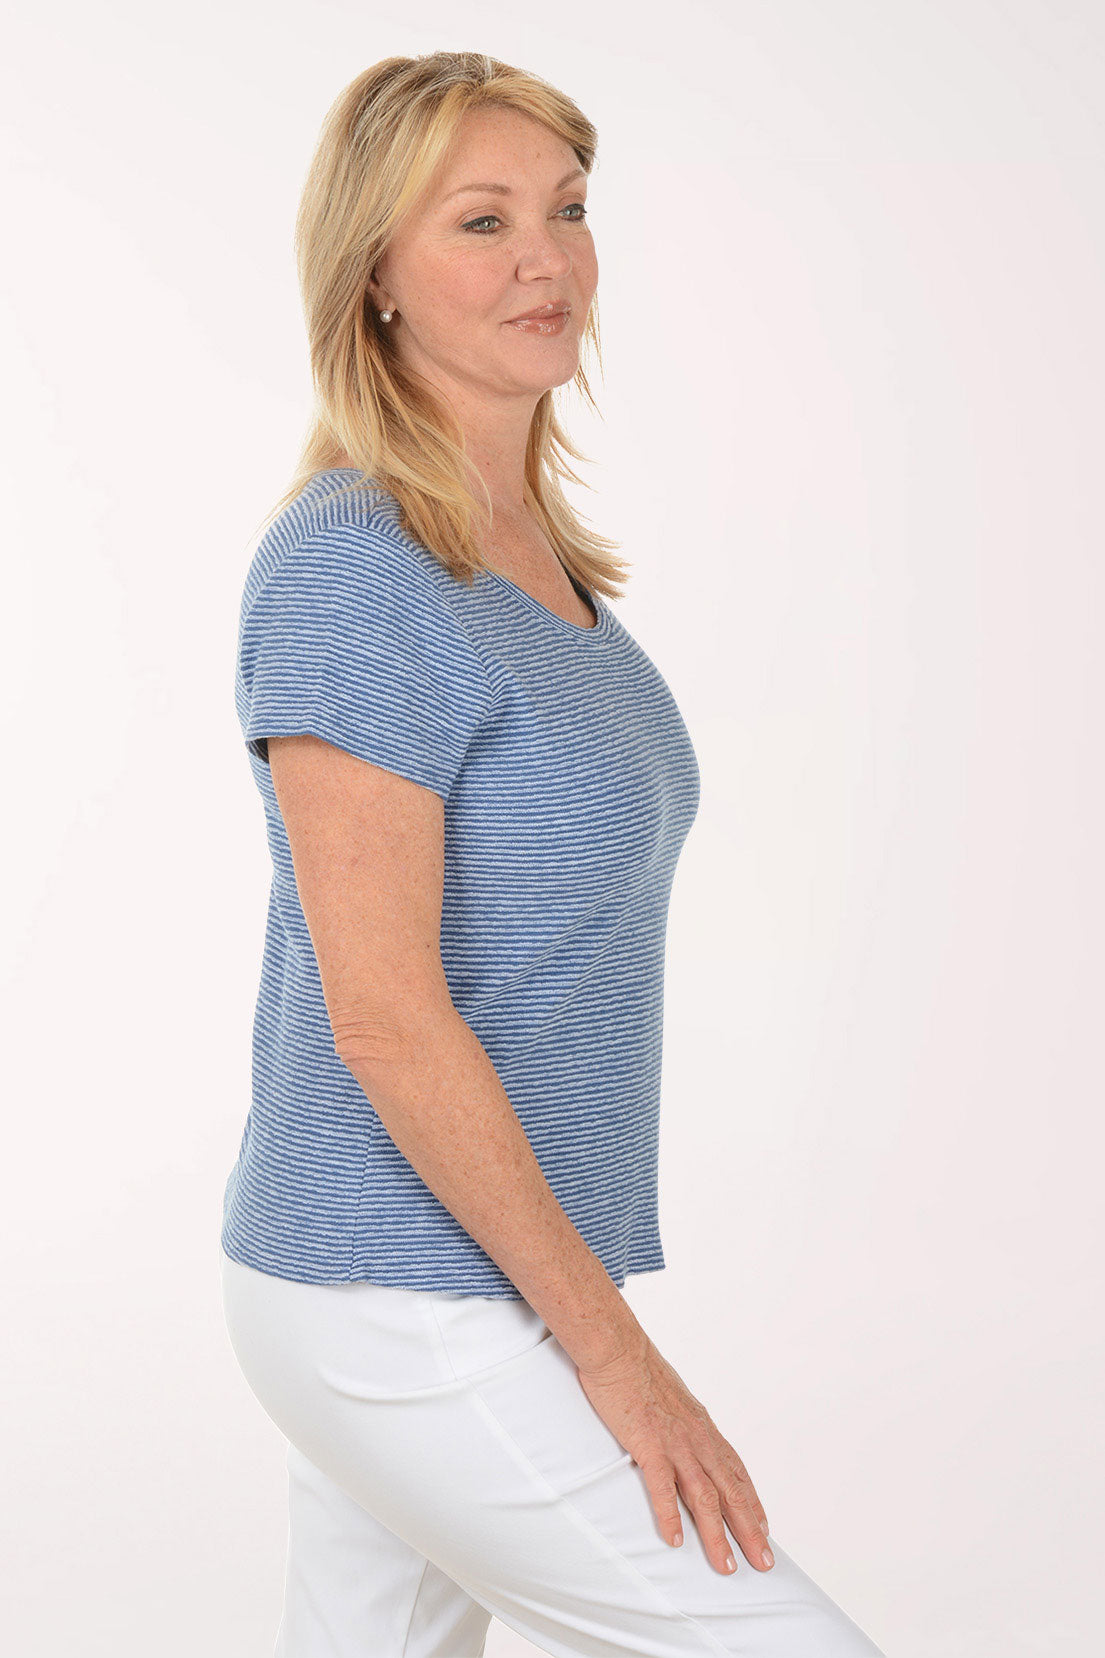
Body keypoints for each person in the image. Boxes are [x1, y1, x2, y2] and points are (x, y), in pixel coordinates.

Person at [218, 50, 887, 1658]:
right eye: (481, 219)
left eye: (568, 210)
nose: (546, 258)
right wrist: (616, 1359)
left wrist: (567, 1310)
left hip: (478, 1275)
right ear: (372, 271)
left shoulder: (540, 572)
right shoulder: (355, 566)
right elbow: (384, 1012)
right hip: (393, 1290)